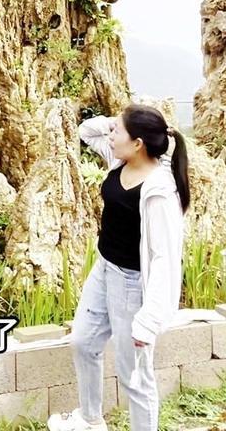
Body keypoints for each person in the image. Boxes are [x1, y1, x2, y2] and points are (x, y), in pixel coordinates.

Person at [47, 104, 190, 431]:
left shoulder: (160, 190)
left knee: (134, 375)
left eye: (118, 132)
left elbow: (164, 258)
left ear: (138, 143)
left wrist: (149, 319)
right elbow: (86, 132)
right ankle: (90, 419)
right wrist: (118, 122)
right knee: (83, 342)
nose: (111, 136)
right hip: (104, 269)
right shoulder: (120, 160)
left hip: (132, 284)